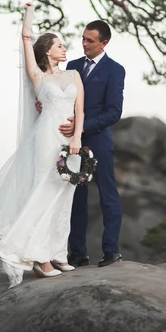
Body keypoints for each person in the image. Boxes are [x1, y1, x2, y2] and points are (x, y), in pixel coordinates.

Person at [0, 3, 84, 287]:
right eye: (59, 45)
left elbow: (80, 111)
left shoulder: (73, 75)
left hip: (70, 141)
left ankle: (57, 252)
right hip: (45, 139)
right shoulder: (38, 76)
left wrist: (77, 138)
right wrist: (29, 13)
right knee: (44, 192)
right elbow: (25, 37)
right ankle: (37, 256)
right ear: (47, 51)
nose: (64, 48)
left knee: (64, 194)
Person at [41, 21, 125, 267]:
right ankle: (77, 252)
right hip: (68, 141)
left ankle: (111, 250)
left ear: (104, 43)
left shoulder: (115, 70)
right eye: (83, 38)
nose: (84, 44)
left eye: (90, 40)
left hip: (98, 140)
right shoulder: (73, 66)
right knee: (75, 197)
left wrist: (82, 125)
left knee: (108, 194)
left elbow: (114, 112)